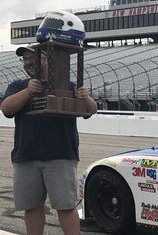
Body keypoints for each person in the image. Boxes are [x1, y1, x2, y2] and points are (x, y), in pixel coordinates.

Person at [1, 46, 97, 234]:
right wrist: (28, 91)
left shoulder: (67, 86)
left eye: (32, 57)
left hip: (61, 155)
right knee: (32, 207)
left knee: (66, 207)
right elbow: (6, 109)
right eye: (25, 59)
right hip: (26, 156)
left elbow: (91, 110)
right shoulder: (18, 86)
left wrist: (86, 97)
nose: (28, 62)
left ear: (47, 59)